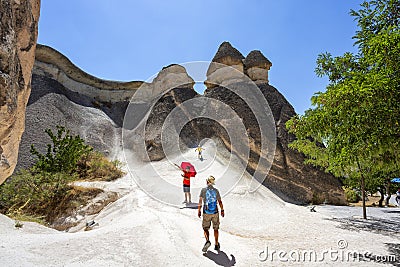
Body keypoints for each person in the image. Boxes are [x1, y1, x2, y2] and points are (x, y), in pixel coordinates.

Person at [198, 176, 224, 252]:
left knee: (205, 228)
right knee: (216, 229)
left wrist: (199, 210)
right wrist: (222, 210)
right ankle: (216, 244)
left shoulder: (203, 190)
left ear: (207, 182)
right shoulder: (216, 191)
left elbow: (200, 202)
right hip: (215, 212)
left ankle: (207, 241)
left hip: (206, 212)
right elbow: (220, 202)